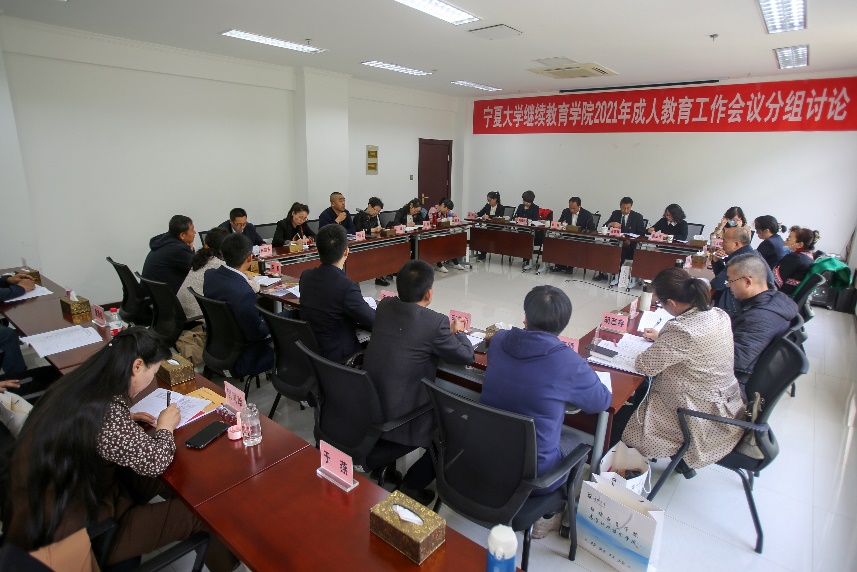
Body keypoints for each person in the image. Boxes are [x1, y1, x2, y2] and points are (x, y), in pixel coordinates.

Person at [4, 328, 237, 571]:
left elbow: (93, 427)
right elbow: (156, 461)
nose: (150, 382)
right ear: (137, 366)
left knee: (180, 476)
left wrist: (125, 418)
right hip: (75, 531)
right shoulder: (106, 417)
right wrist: (165, 427)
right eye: (152, 374)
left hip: (56, 502)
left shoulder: (80, 386)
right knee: (203, 516)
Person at [480, 285, 611, 537]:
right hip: (533, 478)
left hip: (484, 456)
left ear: (525, 317)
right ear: (564, 325)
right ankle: (550, 514)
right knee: (578, 441)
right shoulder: (569, 362)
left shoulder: (499, 340)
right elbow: (601, 401)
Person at [363, 260, 474, 505]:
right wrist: (460, 332)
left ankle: (384, 468)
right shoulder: (435, 322)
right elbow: (466, 356)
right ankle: (412, 486)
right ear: (428, 294)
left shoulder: (385, 306)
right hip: (402, 417)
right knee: (451, 430)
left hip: (369, 408)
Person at [620, 268, 745, 479]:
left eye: (661, 303)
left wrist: (664, 341)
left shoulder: (682, 330)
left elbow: (645, 365)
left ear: (672, 303)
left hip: (697, 414)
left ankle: (624, 460)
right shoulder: (718, 314)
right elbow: (697, 347)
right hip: (727, 402)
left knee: (630, 416)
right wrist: (663, 339)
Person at [299, 224, 375, 363]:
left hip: (310, 352)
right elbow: (373, 321)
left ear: (318, 251)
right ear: (346, 251)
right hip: (338, 359)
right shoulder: (347, 287)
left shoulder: (306, 276)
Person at [203, 233, 274, 376]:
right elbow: (256, 333)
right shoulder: (244, 293)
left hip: (217, 347)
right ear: (249, 258)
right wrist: (274, 324)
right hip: (242, 357)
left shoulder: (210, 276)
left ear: (223, 255)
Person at [726, 254, 799, 386]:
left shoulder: (759, 318)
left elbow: (736, 360)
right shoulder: (776, 298)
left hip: (736, 382)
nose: (728, 285)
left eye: (731, 280)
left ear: (747, 282)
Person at [177, 227, 260, 319]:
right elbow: (250, 288)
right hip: (200, 317)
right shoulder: (221, 265)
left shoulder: (201, 259)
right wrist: (251, 278)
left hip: (184, 312)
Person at [710, 226, 775, 319]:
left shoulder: (744, 260)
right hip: (756, 304)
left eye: (724, 240)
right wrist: (716, 261)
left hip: (749, 309)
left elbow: (717, 284)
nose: (721, 243)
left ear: (736, 244)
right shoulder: (749, 253)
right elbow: (723, 277)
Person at [594, 197, 646, 283]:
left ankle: (617, 275)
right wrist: (611, 224)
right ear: (620, 206)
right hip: (615, 242)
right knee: (604, 248)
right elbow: (605, 226)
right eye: (623, 208)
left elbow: (641, 234)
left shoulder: (637, 217)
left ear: (631, 207)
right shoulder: (616, 214)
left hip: (630, 245)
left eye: (628, 208)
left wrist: (630, 241)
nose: (625, 210)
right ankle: (604, 273)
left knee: (621, 251)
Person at [141, 215, 196, 295]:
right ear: (182, 235)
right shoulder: (178, 249)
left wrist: (190, 249)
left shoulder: (164, 242)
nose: (195, 232)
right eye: (192, 229)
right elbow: (197, 268)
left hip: (152, 295)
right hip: (164, 297)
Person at [552, 197, 596, 272]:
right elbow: (559, 223)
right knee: (557, 242)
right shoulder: (566, 211)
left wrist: (584, 231)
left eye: (574, 208)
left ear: (579, 206)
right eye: (570, 208)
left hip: (580, 238)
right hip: (567, 235)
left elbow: (592, 229)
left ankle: (570, 267)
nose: (571, 210)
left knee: (572, 245)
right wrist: (562, 224)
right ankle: (559, 265)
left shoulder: (587, 214)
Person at [774, 226, 821, 296]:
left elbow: (775, 283)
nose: (785, 242)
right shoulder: (809, 257)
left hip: (779, 295)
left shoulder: (794, 258)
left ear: (799, 244)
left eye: (789, 239)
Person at [434, 199, 466, 273]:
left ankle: (456, 263)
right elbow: (432, 221)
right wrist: (443, 220)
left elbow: (455, 217)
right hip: (434, 234)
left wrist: (452, 219)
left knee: (451, 243)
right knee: (439, 244)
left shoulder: (447, 211)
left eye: (449, 210)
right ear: (442, 205)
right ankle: (439, 265)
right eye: (447, 209)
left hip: (444, 233)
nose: (447, 211)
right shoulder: (433, 210)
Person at [514, 190, 540, 271]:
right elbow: (515, 216)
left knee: (527, 240)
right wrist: (516, 218)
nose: (526, 203)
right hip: (520, 230)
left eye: (528, 202)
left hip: (530, 232)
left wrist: (526, 221)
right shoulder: (520, 206)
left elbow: (535, 220)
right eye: (524, 201)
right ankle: (525, 259)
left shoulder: (535, 208)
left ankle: (528, 260)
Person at [475, 191, 503, 261]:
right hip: (489, 228)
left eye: (490, 200)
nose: (489, 202)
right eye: (488, 200)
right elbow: (480, 213)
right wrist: (476, 215)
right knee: (481, 235)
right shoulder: (487, 206)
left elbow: (500, 217)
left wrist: (489, 217)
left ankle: (482, 254)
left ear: (495, 199)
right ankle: (482, 254)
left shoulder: (501, 207)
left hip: (497, 229)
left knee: (486, 236)